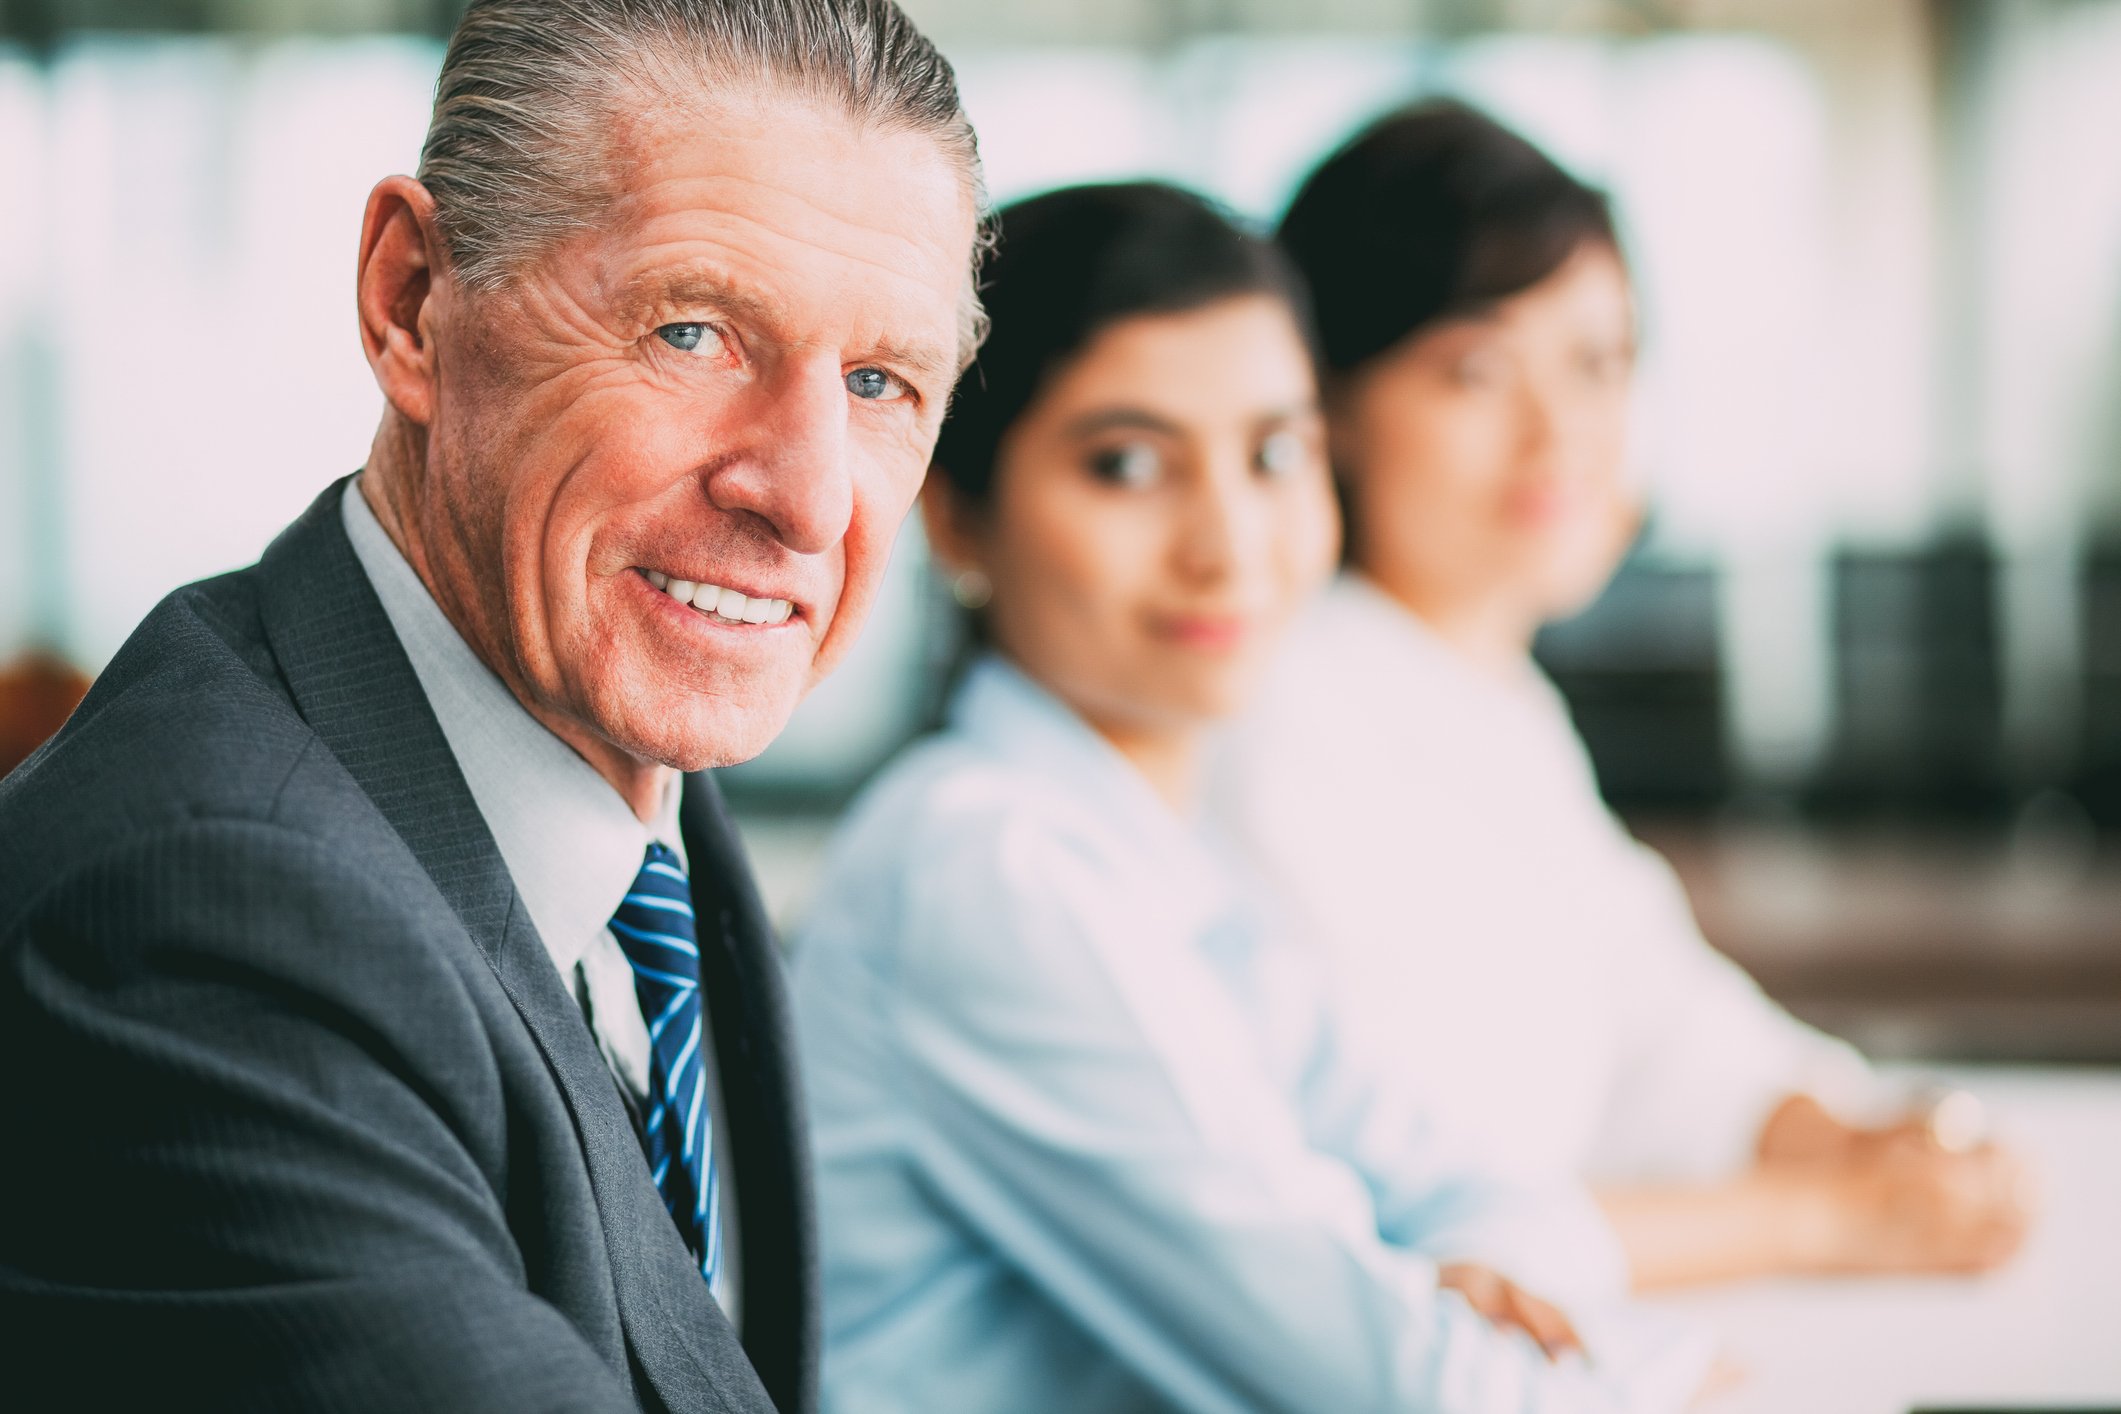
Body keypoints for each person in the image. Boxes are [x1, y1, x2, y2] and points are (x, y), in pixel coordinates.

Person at [0, 1, 982, 1408]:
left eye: (881, 381)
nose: (812, 496)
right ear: (410, 301)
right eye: (694, 332)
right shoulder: (198, 912)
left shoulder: (620, 778)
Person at [790, 182, 1713, 1414]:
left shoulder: (1169, 864)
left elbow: (1483, 1195)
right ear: (955, 516)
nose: (1230, 540)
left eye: (1277, 454)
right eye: (1128, 465)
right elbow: (1399, 1387)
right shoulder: (985, 866)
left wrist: (1445, 1277)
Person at [1211, 99, 2031, 1290]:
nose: (1563, 430)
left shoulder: (1495, 705)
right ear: (1326, 410)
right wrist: (1832, 1217)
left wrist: (1867, 1137)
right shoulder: (1277, 714)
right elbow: (1411, 1217)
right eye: (1476, 370)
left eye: (1599, 363)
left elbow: (1662, 1030)